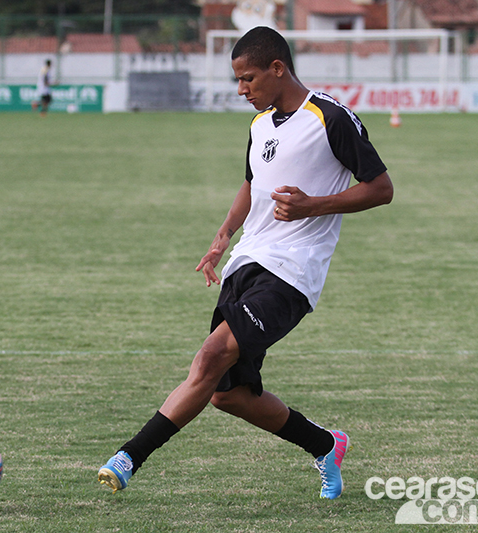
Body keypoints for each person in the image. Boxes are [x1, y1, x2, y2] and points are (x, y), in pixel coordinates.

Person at [97, 26, 394, 500]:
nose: (241, 90)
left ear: (278, 68)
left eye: (248, 78)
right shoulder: (259, 126)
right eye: (238, 80)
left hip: (292, 272)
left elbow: (381, 188)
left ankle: (129, 456)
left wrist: (312, 205)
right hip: (246, 262)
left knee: (211, 357)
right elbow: (252, 183)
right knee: (226, 394)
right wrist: (222, 236)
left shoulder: (330, 118)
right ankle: (325, 444)